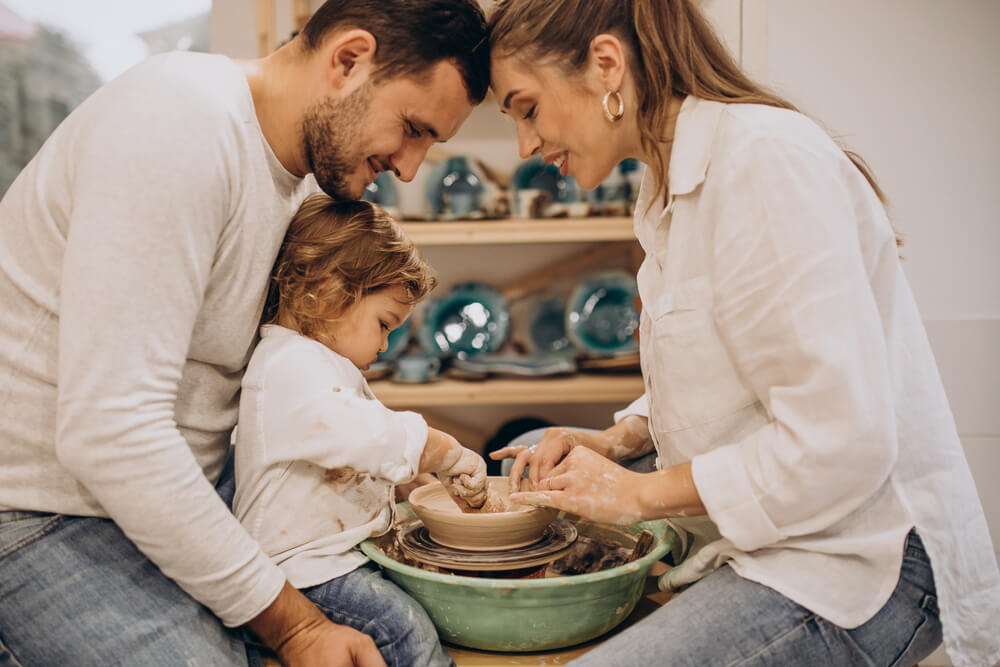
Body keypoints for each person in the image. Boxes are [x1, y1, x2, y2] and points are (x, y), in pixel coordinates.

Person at [485, 1, 1000, 666]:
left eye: (527, 109)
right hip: (800, 513)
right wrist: (619, 438)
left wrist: (636, 492)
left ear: (606, 65)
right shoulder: (664, 187)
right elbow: (733, 358)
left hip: (867, 557)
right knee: (534, 454)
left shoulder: (763, 161)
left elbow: (841, 440)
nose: (525, 145)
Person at [0, 0, 488, 664]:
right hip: (36, 506)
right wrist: (295, 626)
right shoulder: (180, 123)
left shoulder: (296, 182)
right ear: (348, 60)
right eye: (411, 128)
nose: (408, 167)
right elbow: (110, 433)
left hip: (165, 492)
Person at [233, 194, 484, 666]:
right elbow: (366, 436)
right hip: (299, 571)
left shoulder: (319, 361)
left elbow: (356, 453)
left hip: (333, 558)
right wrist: (446, 452)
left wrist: (412, 480)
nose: (386, 345)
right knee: (402, 629)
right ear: (328, 291)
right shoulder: (287, 363)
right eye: (383, 324)